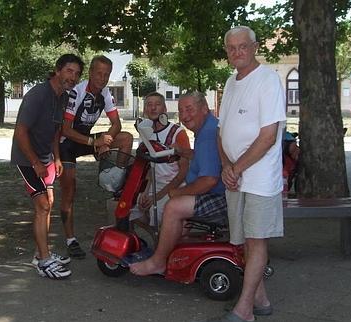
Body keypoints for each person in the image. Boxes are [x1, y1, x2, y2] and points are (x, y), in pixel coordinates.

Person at [216, 26, 286, 322]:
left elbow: (268, 136)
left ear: (255, 47)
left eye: (242, 46)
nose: (237, 52)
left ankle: (244, 309)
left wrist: (237, 168)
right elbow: (221, 132)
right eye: (231, 48)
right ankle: (261, 298)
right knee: (243, 240)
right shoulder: (230, 82)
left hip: (258, 178)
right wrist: (225, 167)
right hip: (235, 176)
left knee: (257, 240)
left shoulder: (268, 79)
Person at [129, 91, 226, 276]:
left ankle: (158, 262)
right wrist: (186, 153)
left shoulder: (205, 135)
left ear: (205, 109)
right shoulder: (208, 127)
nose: (185, 115)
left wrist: (176, 193)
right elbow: (208, 160)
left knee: (172, 207)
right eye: (181, 111)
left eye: (189, 109)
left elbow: (209, 180)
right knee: (156, 207)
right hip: (216, 190)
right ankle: (171, 250)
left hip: (218, 196)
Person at [11, 53, 84, 280]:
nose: (73, 77)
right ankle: (43, 261)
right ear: (58, 70)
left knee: (49, 203)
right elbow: (20, 132)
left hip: (46, 158)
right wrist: (35, 162)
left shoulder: (63, 96)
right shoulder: (39, 95)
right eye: (69, 71)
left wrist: (57, 158)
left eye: (77, 73)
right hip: (26, 158)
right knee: (42, 205)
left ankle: (41, 252)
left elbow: (55, 131)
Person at [59, 55, 134, 259]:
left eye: (106, 75)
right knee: (69, 191)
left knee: (126, 139)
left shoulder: (106, 93)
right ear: (90, 73)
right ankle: (71, 240)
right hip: (66, 145)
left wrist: (107, 139)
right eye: (98, 73)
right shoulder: (77, 92)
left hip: (85, 140)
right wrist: (95, 143)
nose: (102, 78)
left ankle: (115, 185)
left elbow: (117, 124)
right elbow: (65, 129)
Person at [129, 92, 191, 228]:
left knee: (158, 211)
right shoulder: (145, 132)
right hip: (155, 184)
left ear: (164, 109)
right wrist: (145, 193)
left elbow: (183, 172)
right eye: (149, 105)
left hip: (175, 185)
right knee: (132, 210)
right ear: (145, 109)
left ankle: (163, 245)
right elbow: (150, 167)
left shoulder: (177, 133)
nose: (153, 108)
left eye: (157, 104)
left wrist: (156, 197)